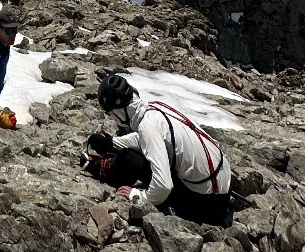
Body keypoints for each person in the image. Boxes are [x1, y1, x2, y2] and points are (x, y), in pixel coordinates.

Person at [88, 72, 231, 225]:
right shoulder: (156, 107)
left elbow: (163, 186)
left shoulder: (147, 126)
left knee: (129, 158)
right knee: (143, 154)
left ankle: (102, 167)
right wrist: (112, 143)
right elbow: (147, 139)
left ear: (117, 113)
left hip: (207, 207)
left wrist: (138, 195)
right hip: (223, 189)